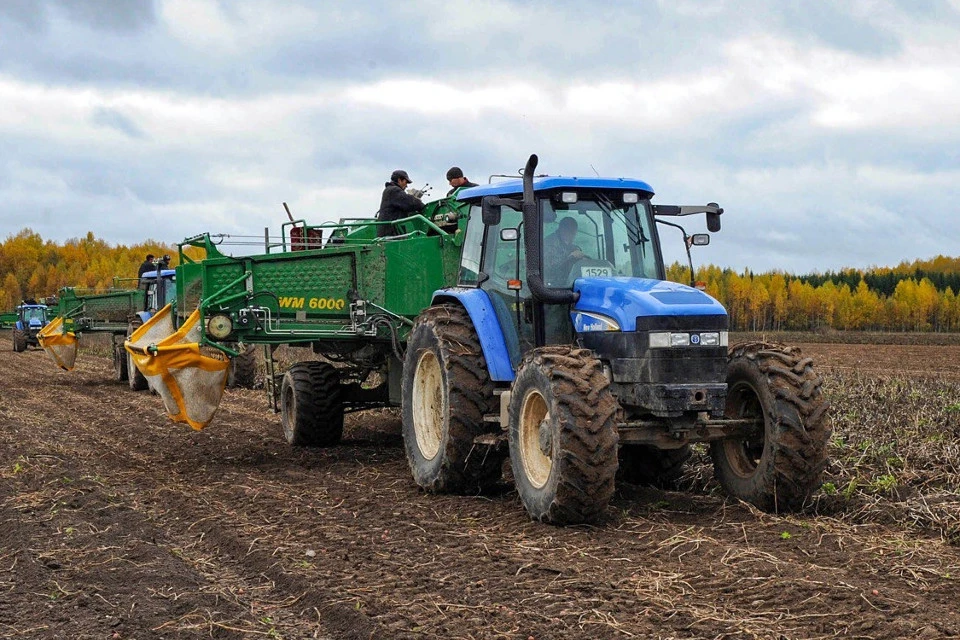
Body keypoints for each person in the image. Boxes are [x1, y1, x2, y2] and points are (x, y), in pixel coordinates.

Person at [376, 170, 426, 238]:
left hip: (386, 232)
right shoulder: (394, 191)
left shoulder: (388, 190)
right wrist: (423, 206)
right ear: (399, 180)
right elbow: (410, 203)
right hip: (391, 233)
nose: (406, 186)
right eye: (406, 182)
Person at [543, 217, 585, 285]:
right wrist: (571, 257)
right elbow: (548, 269)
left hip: (568, 283)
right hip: (551, 286)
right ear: (563, 230)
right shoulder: (549, 244)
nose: (573, 236)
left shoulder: (569, 245)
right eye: (571, 232)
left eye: (574, 233)